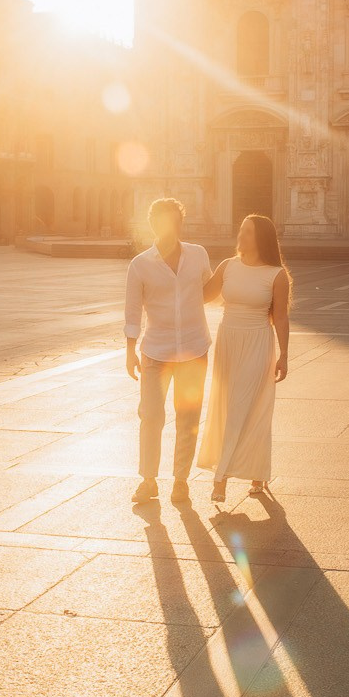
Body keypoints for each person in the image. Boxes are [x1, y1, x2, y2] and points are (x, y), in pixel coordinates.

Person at [124, 197, 213, 506]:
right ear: (153, 225)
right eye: (162, 220)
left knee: (188, 418)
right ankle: (148, 480)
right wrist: (129, 350)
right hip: (155, 352)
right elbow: (133, 312)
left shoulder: (199, 255)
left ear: (180, 222)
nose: (169, 226)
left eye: (174, 219)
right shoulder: (140, 264)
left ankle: (180, 480)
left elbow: (208, 291)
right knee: (151, 416)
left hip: (194, 348)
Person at [198, 214, 291, 504]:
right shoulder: (228, 266)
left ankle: (221, 477)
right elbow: (203, 296)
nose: (241, 236)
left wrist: (284, 354)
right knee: (230, 405)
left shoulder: (276, 274)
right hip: (228, 340)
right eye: (241, 230)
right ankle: (257, 472)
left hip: (257, 342)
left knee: (244, 405)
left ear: (261, 238)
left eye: (248, 232)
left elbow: (281, 317)